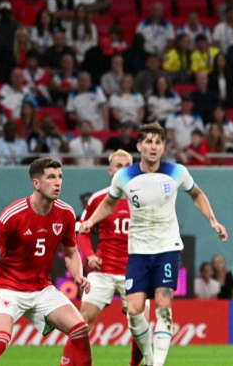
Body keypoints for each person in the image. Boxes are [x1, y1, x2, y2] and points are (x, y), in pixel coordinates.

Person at [79, 122, 228, 366]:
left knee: (163, 304)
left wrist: (213, 221)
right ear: (139, 146)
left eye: (158, 142)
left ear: (163, 147)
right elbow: (108, 203)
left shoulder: (177, 171)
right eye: (148, 141)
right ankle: (149, 360)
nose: (153, 146)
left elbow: (197, 194)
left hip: (167, 249)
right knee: (135, 311)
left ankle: (157, 364)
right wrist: (91, 221)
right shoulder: (124, 176)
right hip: (137, 252)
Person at [0, 157, 92, 366]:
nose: (58, 182)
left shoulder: (66, 213)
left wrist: (78, 274)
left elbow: (71, 253)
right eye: (51, 177)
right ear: (36, 183)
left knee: (80, 330)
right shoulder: (13, 214)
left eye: (60, 177)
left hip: (41, 288)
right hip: (9, 286)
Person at [70, 149, 143, 366]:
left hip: (135, 272)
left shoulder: (145, 199)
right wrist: (90, 255)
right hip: (103, 271)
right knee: (82, 323)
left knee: (141, 327)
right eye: (118, 166)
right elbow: (82, 232)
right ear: (110, 170)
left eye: (128, 165)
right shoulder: (98, 199)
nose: (123, 170)